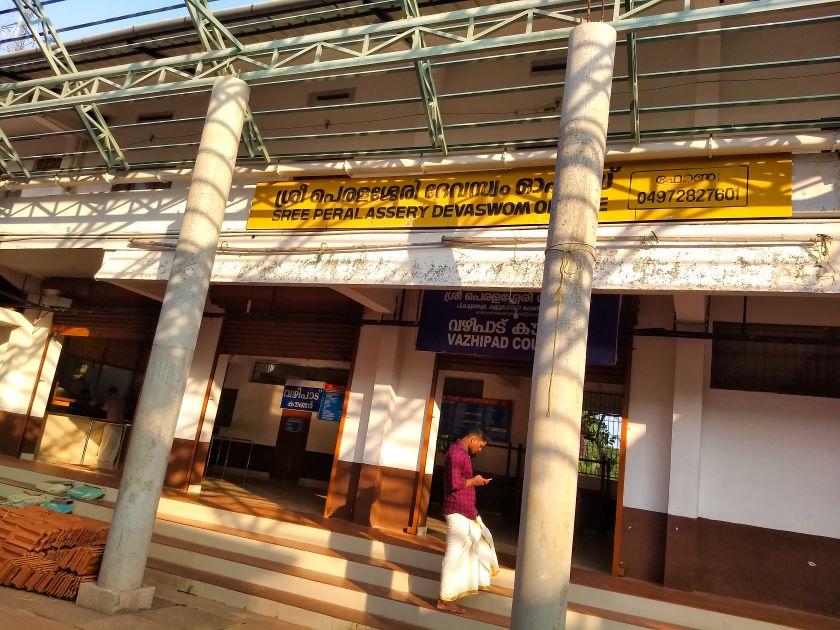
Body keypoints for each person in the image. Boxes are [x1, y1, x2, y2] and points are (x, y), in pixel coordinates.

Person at [436, 426, 500, 614]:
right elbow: (456, 483)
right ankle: (444, 600)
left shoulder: (461, 453)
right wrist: (475, 481)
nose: (480, 450)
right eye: (480, 445)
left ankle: (475, 581)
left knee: (482, 541)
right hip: (457, 510)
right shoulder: (457, 454)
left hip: (466, 510)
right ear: (473, 439)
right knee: (454, 554)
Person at [97, 387, 127, 469]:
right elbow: (125, 410)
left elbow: (105, 408)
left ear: (110, 392)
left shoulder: (110, 399)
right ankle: (111, 458)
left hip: (111, 422)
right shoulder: (122, 399)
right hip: (120, 423)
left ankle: (104, 458)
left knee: (107, 441)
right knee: (115, 443)